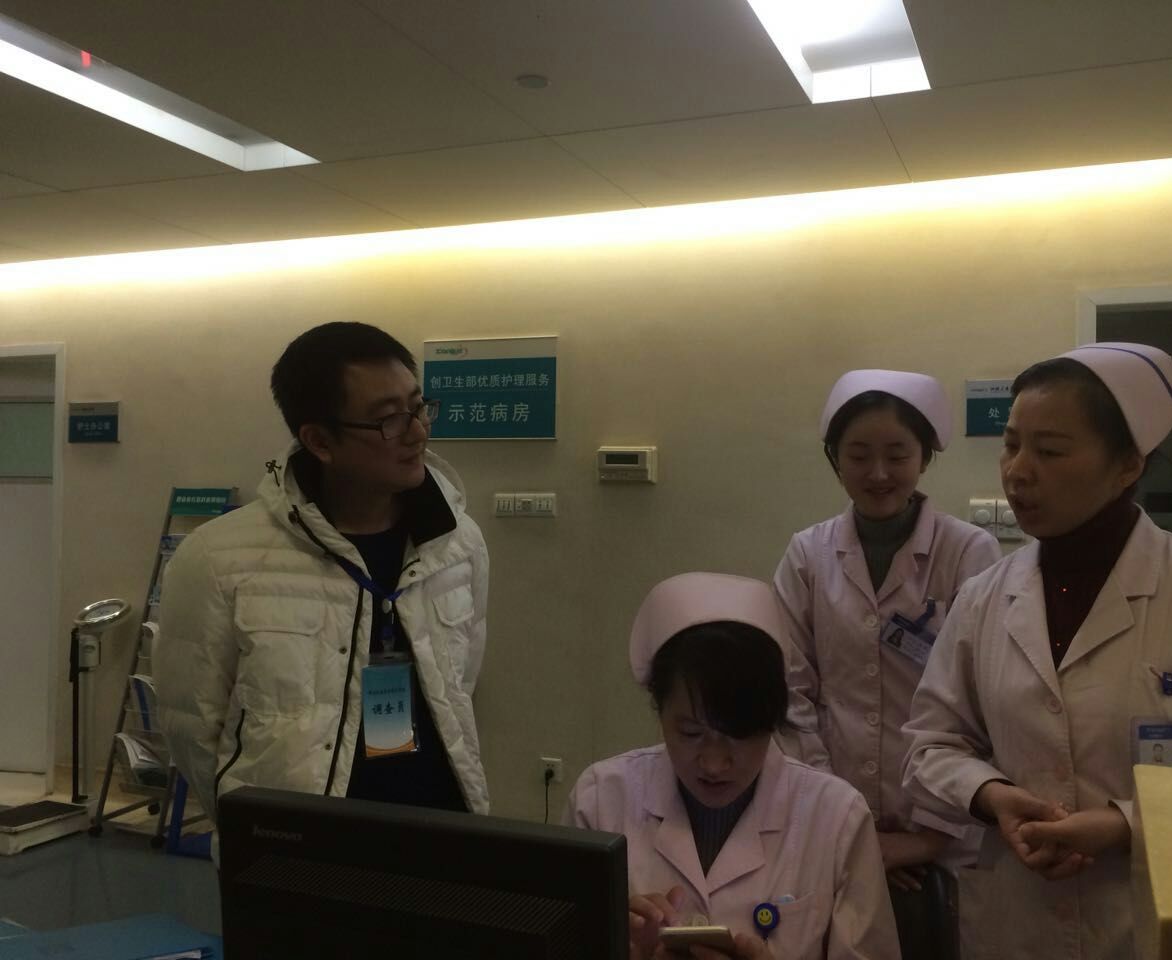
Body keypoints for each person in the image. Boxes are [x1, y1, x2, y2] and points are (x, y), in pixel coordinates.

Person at [901, 342, 1172, 960]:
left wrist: (1125, 824)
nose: (1018, 471)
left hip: (1153, 921)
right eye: (1012, 444)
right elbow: (929, 745)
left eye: (1050, 451)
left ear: (1127, 465)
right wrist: (992, 796)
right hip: (1015, 922)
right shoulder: (984, 597)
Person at [156, 322, 490, 846]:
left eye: (419, 407)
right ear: (319, 441)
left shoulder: (456, 542)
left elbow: (461, 682)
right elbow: (193, 726)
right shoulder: (217, 559)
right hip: (297, 849)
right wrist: (255, 832)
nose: (417, 432)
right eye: (389, 419)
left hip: (441, 833)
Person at [772, 369, 1000, 956]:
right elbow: (791, 691)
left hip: (946, 834)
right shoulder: (807, 554)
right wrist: (841, 820)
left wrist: (927, 839)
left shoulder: (968, 552)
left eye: (897, 455)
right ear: (835, 459)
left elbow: (985, 702)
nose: (878, 473)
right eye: (858, 455)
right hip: (833, 819)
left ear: (924, 457)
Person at [565, 573, 901, 960]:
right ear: (659, 708)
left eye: (739, 735)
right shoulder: (600, 799)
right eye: (691, 733)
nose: (713, 763)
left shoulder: (837, 818)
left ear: (773, 720)